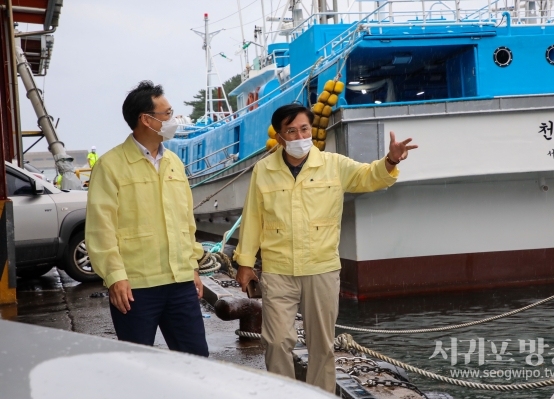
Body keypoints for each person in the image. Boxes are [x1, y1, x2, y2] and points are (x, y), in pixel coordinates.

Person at [234, 103, 417, 392]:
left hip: (322, 268)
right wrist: (245, 263)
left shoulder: (334, 164)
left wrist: (390, 161)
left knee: (321, 345)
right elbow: (253, 218)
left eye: (304, 129)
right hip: (278, 270)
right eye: (291, 131)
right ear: (280, 136)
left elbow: (369, 176)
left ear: (311, 130)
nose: (299, 136)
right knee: (276, 340)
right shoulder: (263, 170)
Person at [86, 80, 208, 357]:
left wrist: (193, 267)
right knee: (139, 366)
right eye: (167, 114)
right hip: (136, 287)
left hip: (180, 283)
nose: (173, 119)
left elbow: (186, 223)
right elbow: (100, 228)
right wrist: (115, 276)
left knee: (198, 361)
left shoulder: (174, 163)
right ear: (146, 119)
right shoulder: (111, 166)